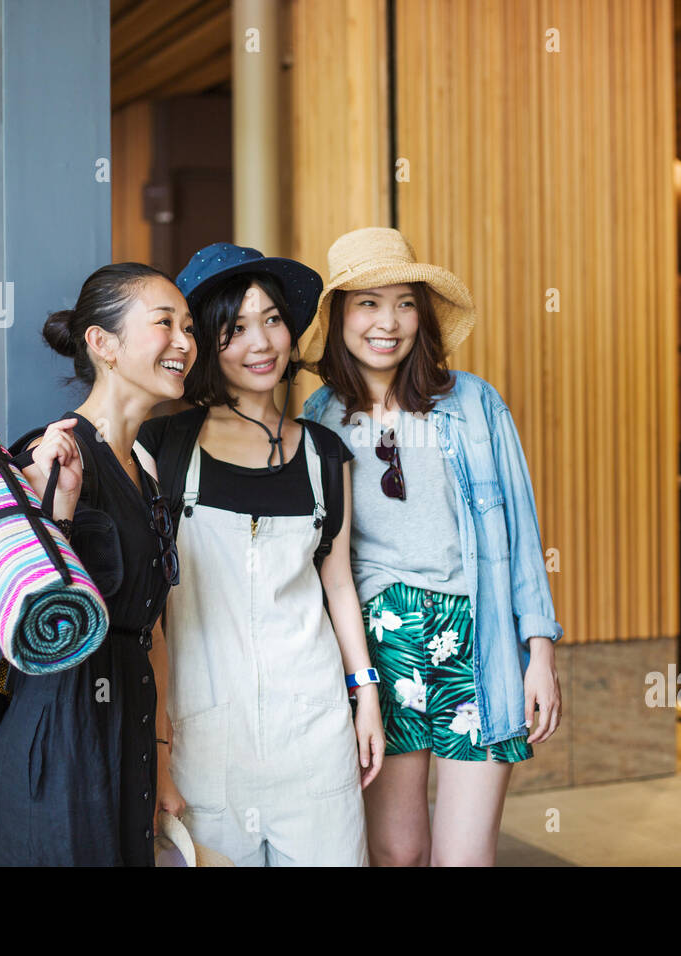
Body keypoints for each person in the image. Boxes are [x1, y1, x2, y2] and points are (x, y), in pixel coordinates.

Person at [300, 227, 564, 866]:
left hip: (478, 641)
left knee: (465, 859)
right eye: (367, 303)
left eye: (404, 302)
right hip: (378, 645)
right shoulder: (319, 416)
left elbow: (521, 534)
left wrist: (541, 651)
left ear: (423, 313)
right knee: (397, 854)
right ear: (340, 318)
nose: (387, 322)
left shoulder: (474, 404)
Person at [137, 243, 383, 867]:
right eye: (235, 328)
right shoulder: (161, 449)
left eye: (272, 319)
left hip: (315, 733)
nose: (262, 342)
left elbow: (338, 585)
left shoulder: (326, 455)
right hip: (203, 741)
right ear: (204, 346)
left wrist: (366, 694)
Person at [0, 263, 194, 866]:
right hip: (61, 744)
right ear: (103, 344)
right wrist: (62, 509)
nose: (184, 341)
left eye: (187, 326)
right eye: (164, 323)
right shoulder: (49, 454)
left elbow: (147, 628)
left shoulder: (146, 470)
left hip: (126, 740)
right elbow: (19, 619)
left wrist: (159, 758)